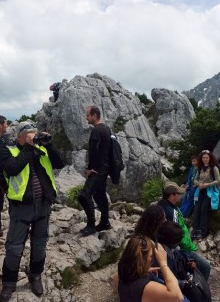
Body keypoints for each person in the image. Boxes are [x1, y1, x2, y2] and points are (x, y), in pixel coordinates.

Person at [0, 123, 66, 300]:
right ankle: (9, 284)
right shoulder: (8, 151)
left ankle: (35, 276)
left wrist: (49, 145)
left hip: (43, 205)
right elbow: (13, 168)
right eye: (31, 134)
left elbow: (60, 162)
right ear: (21, 136)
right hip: (21, 208)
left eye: (36, 134)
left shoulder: (41, 150)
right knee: (14, 247)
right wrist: (29, 147)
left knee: (39, 245)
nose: (35, 137)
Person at [158, 181, 211, 280]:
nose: (181, 196)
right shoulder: (171, 212)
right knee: (205, 267)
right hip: (179, 248)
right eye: (178, 194)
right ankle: (199, 289)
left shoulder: (162, 205)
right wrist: (191, 247)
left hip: (172, 246)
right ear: (172, 196)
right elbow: (176, 236)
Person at [112, 235, 184, 302]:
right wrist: (163, 263)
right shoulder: (146, 288)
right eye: (152, 256)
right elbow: (178, 297)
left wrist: (145, 269)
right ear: (142, 260)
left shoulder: (118, 277)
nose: (153, 258)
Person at [79, 106, 113, 236]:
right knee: (99, 195)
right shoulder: (106, 129)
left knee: (84, 196)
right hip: (105, 168)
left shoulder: (96, 131)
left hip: (97, 170)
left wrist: (90, 169)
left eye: (88, 115)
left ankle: (91, 225)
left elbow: (94, 151)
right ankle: (105, 222)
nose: (86, 118)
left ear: (94, 115)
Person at [190, 150, 220, 240]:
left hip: (209, 191)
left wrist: (207, 185)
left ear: (210, 158)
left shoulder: (214, 168)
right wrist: (199, 184)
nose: (205, 159)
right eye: (203, 157)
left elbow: (218, 180)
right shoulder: (199, 168)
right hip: (200, 190)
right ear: (201, 158)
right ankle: (195, 230)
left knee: (204, 209)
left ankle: (204, 231)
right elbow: (194, 180)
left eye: (207, 157)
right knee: (197, 208)